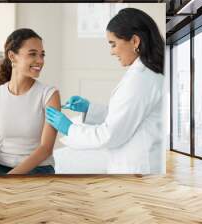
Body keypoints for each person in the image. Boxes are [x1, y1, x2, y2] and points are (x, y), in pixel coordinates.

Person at [46, 8, 165, 174]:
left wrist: (69, 128)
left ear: (135, 41)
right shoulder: (146, 75)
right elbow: (129, 117)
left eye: (113, 44)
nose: (112, 52)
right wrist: (90, 109)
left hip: (138, 170)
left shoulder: (140, 79)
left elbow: (109, 135)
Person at [0, 28, 60, 175]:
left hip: (38, 168)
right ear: (12, 56)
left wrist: (10, 178)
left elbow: (46, 148)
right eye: (32, 54)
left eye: (42, 55)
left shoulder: (50, 95)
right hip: (1, 165)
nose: (40, 61)